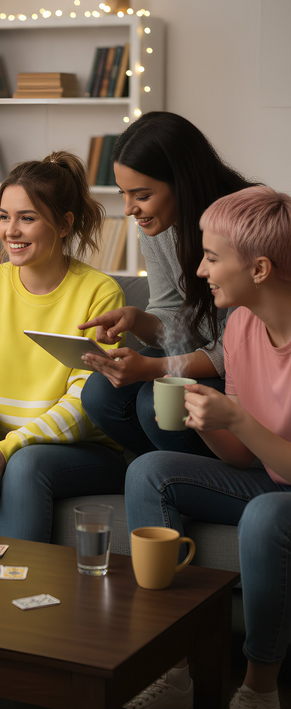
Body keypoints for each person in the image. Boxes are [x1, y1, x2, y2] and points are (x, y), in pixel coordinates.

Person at [124, 186, 291, 709]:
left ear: (260, 269)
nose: (201, 271)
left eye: (213, 258)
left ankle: (259, 690)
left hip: (280, 496)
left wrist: (236, 416)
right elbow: (243, 459)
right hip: (270, 479)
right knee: (150, 471)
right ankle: (172, 670)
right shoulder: (242, 326)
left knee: (266, 515)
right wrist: (202, 419)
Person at [0, 151, 127, 542]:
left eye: (27, 218)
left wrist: (9, 448)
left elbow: (84, 402)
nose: (11, 231)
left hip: (86, 450)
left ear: (63, 224)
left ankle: (14, 596)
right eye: (4, 217)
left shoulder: (99, 293)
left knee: (25, 466)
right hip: (1, 442)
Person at [79, 111, 256, 457]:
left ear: (182, 181)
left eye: (141, 195)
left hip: (241, 365)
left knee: (152, 402)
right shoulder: (158, 226)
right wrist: (137, 319)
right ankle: (153, 470)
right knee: (98, 393)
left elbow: (236, 348)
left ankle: (193, 477)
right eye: (123, 193)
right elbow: (174, 314)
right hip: (201, 350)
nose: (130, 209)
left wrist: (155, 367)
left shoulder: (244, 227)